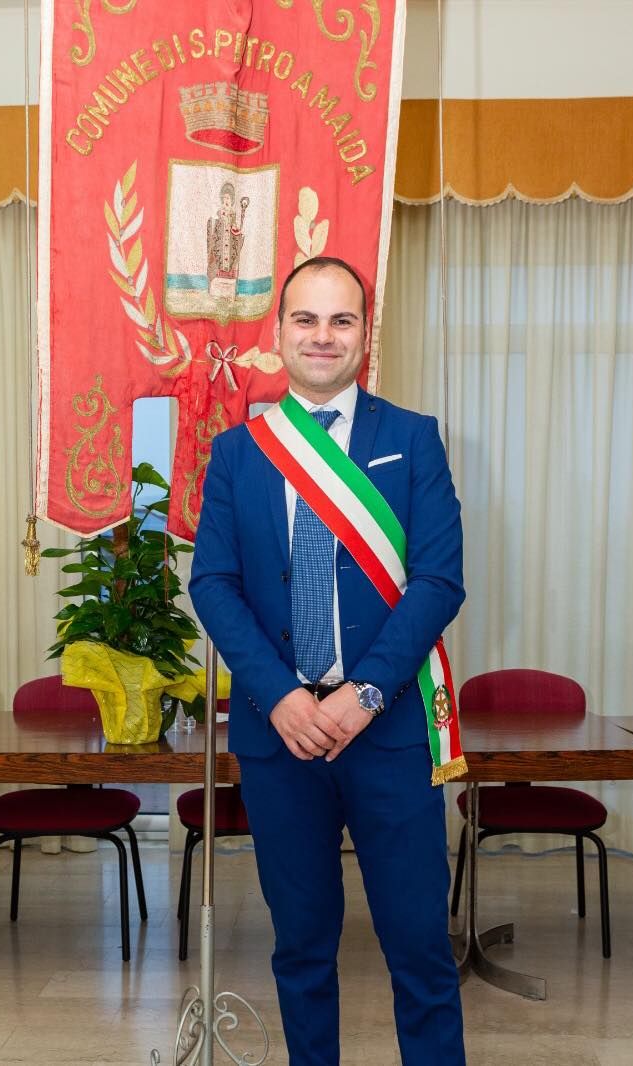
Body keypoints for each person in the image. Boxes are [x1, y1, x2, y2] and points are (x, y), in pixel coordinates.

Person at [190, 256, 466, 1066]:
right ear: (277, 335)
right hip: (283, 740)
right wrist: (278, 697)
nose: (322, 336)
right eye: (305, 320)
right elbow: (212, 582)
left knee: (418, 947)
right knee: (302, 949)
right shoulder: (240, 451)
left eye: (340, 320)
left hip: (387, 733)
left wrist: (366, 693)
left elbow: (439, 582)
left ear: (363, 334)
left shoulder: (412, 439)